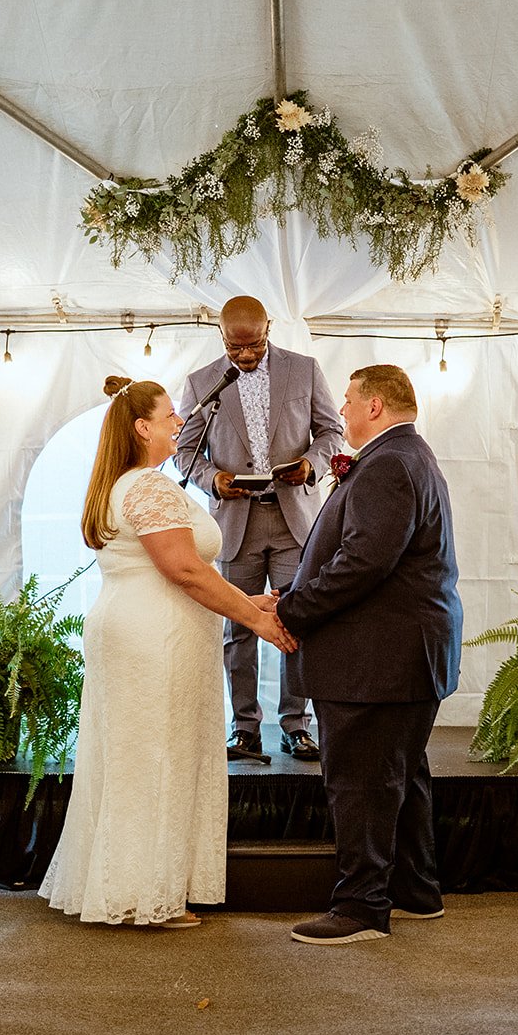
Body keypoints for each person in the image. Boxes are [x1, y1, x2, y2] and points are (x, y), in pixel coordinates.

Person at [39, 376, 296, 928]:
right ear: (143, 427)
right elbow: (183, 569)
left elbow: (168, 569)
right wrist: (256, 619)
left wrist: (248, 597)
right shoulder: (150, 487)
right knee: (157, 757)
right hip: (156, 638)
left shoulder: (121, 484)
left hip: (136, 623)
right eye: (170, 415)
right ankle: (144, 895)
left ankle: (128, 884)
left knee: (135, 756)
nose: (180, 423)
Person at [275, 364, 462, 945]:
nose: (343, 413)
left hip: (376, 660)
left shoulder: (387, 465)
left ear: (375, 405)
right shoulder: (408, 457)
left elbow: (363, 562)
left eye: (350, 401)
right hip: (399, 655)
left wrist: (291, 611)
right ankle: (414, 890)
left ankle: (361, 908)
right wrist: (293, 594)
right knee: (400, 774)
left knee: (359, 781)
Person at [175, 296, 343, 762]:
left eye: (254, 345)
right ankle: (244, 728)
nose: (245, 356)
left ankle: (295, 725)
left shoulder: (304, 370)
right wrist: (215, 480)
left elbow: (332, 430)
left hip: (294, 521)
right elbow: (184, 451)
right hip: (236, 522)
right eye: (235, 347)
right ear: (221, 335)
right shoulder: (202, 383)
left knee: (296, 619)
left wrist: (309, 465)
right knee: (238, 628)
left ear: (269, 328)